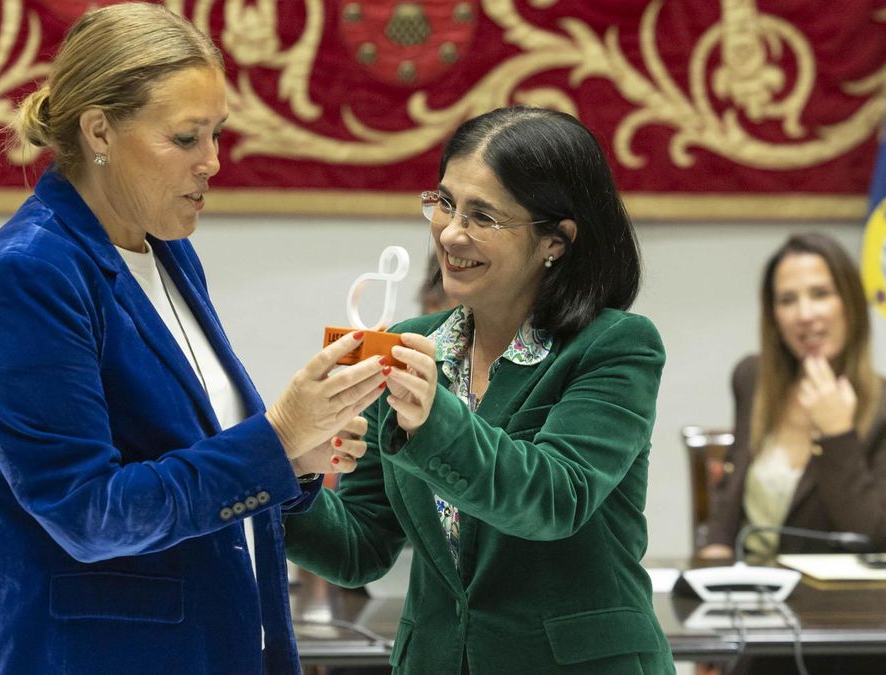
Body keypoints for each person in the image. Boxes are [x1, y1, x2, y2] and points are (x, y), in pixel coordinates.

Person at [0, 5, 386, 674]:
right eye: (186, 138)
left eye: (217, 134)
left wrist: (295, 457)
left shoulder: (165, 251)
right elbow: (90, 513)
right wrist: (276, 435)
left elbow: (189, 455)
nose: (213, 162)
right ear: (99, 130)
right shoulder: (25, 275)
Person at [284, 106, 675, 674]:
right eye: (444, 203)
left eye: (483, 216)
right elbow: (360, 546)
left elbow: (554, 499)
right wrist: (291, 468)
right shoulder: (409, 344)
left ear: (556, 241)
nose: (450, 232)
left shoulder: (615, 345)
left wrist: (434, 419)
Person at [700, 233, 886, 560]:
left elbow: (866, 535)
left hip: (840, 601)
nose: (805, 314)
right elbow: (731, 492)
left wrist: (837, 434)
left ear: (850, 303)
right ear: (774, 316)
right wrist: (713, 558)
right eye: (787, 300)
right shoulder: (752, 377)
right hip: (752, 589)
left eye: (820, 294)